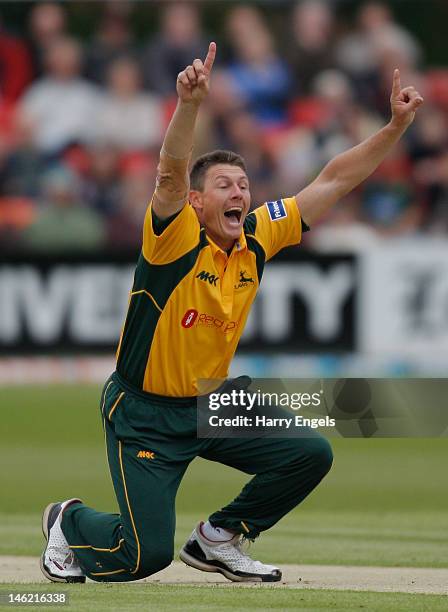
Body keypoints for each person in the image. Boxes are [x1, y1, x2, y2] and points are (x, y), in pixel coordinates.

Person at [40, 42, 423, 584]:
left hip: (210, 402)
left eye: (243, 185)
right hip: (145, 413)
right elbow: (171, 173)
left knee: (309, 453)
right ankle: (67, 520)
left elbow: (333, 180)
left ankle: (219, 537)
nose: (239, 193)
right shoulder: (174, 239)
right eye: (224, 185)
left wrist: (394, 128)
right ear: (197, 203)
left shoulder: (256, 237)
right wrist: (190, 105)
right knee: (142, 557)